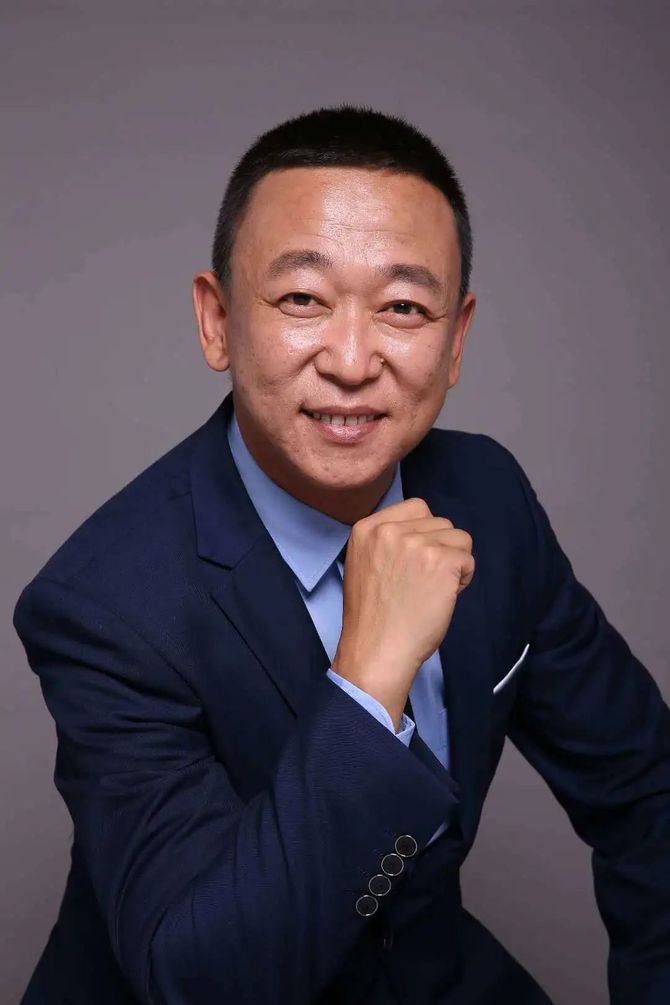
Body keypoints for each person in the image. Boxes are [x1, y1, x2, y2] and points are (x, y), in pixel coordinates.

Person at [13, 104, 670, 1005]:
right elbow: (200, 981)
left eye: (403, 307)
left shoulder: (488, 498)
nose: (354, 361)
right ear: (216, 320)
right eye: (302, 300)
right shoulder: (106, 603)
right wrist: (368, 679)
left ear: (456, 341)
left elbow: (646, 788)